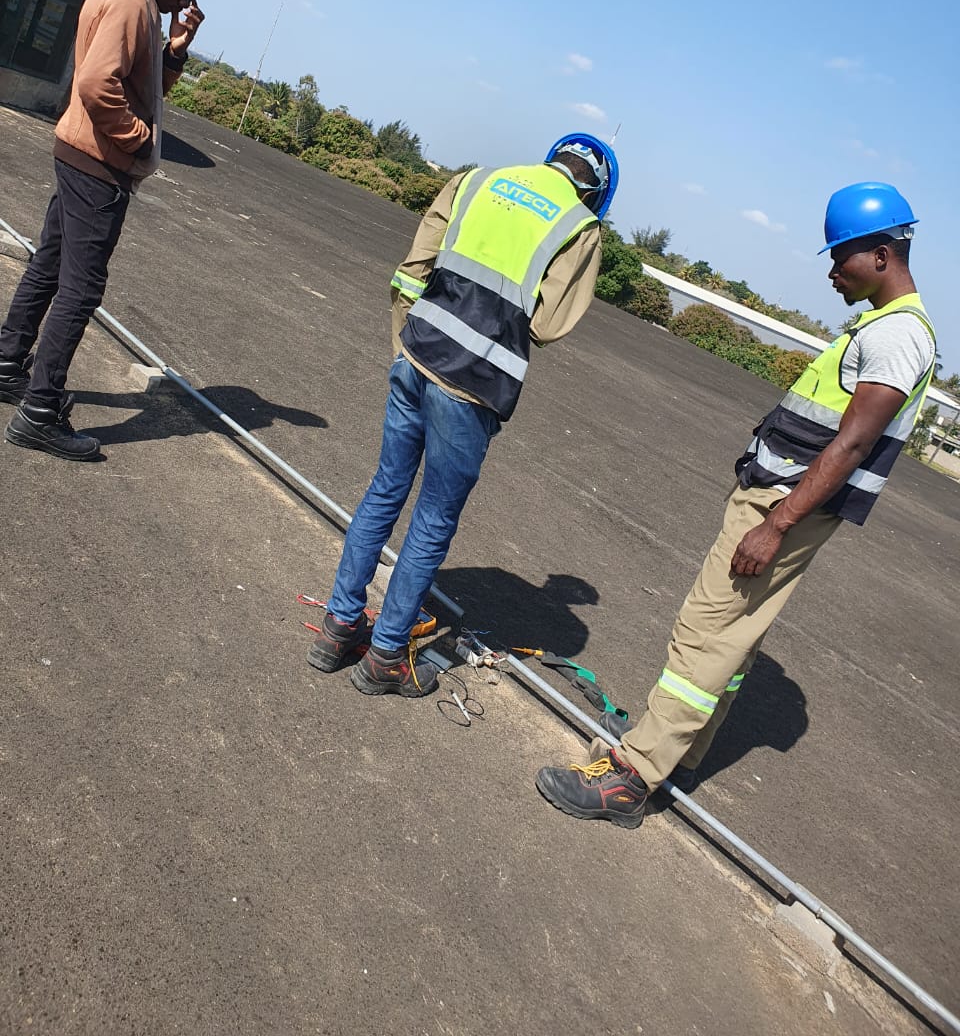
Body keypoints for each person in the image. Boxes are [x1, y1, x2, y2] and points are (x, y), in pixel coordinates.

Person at [536, 182, 936, 827]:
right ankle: (682, 759)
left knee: (705, 636)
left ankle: (631, 777)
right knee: (733, 640)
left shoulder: (897, 335)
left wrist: (776, 523)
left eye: (842, 257)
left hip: (782, 508)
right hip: (780, 501)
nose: (832, 272)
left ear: (883, 253)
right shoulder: (887, 328)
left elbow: (855, 440)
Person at [307, 134, 618, 697]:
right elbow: (547, 325)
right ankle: (384, 659)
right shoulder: (580, 226)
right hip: (472, 386)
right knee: (432, 518)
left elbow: (413, 267)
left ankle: (339, 626)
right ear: (596, 190)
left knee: (384, 489)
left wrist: (404, 345)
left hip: (416, 353)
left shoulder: (477, 180)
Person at [0, 0, 217, 460]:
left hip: (82, 154)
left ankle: (7, 366)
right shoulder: (128, 0)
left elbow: (142, 87)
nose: (185, 1)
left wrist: (174, 53)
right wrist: (140, 140)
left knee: (50, 265)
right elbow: (98, 84)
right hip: (98, 164)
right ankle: (40, 411)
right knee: (81, 287)